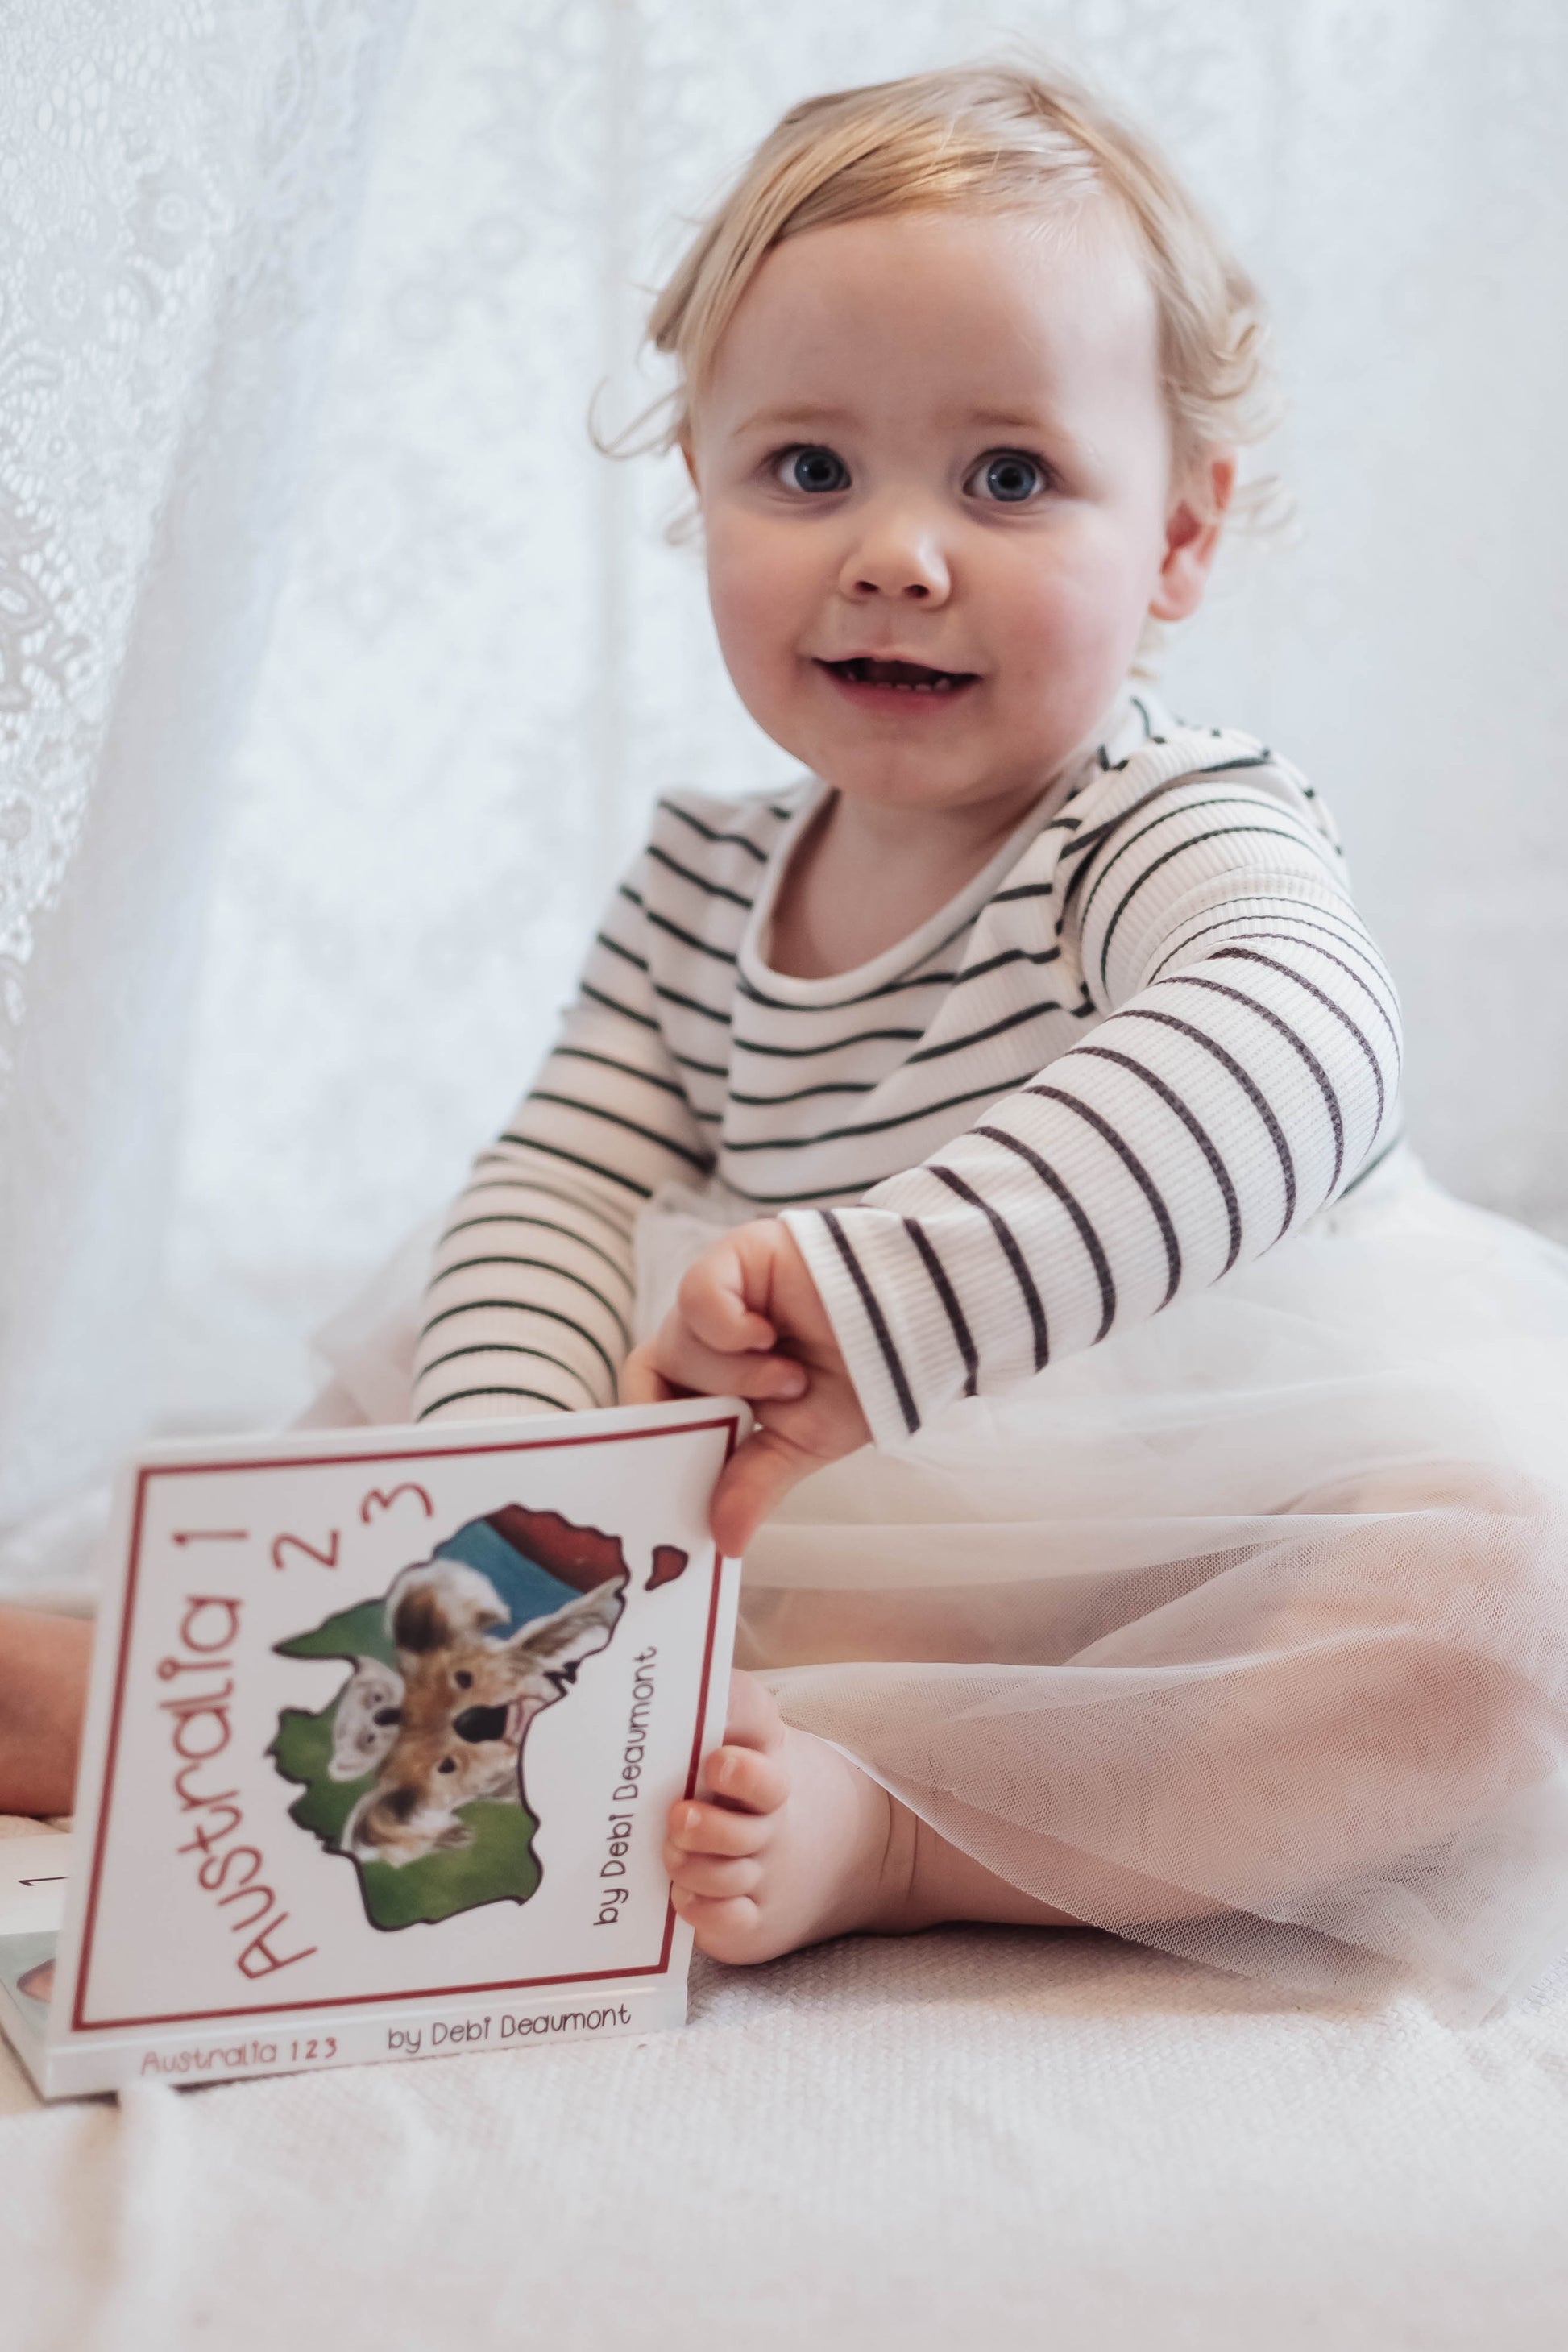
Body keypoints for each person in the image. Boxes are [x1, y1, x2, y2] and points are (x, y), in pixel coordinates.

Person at [6, 64, 1567, 2018]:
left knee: (1502, 1609)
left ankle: (912, 1823)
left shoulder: (1165, 817)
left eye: (1007, 476)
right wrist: (511, 1458)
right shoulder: (699, 880)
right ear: (701, 486)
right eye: (809, 470)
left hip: (1160, 1542)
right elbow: (558, 1185)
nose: (897, 551)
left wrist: (876, 1288)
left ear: (1178, 536)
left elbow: (1294, 1037)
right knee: (424, 1559)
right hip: (774, 1537)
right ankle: (202, 1710)